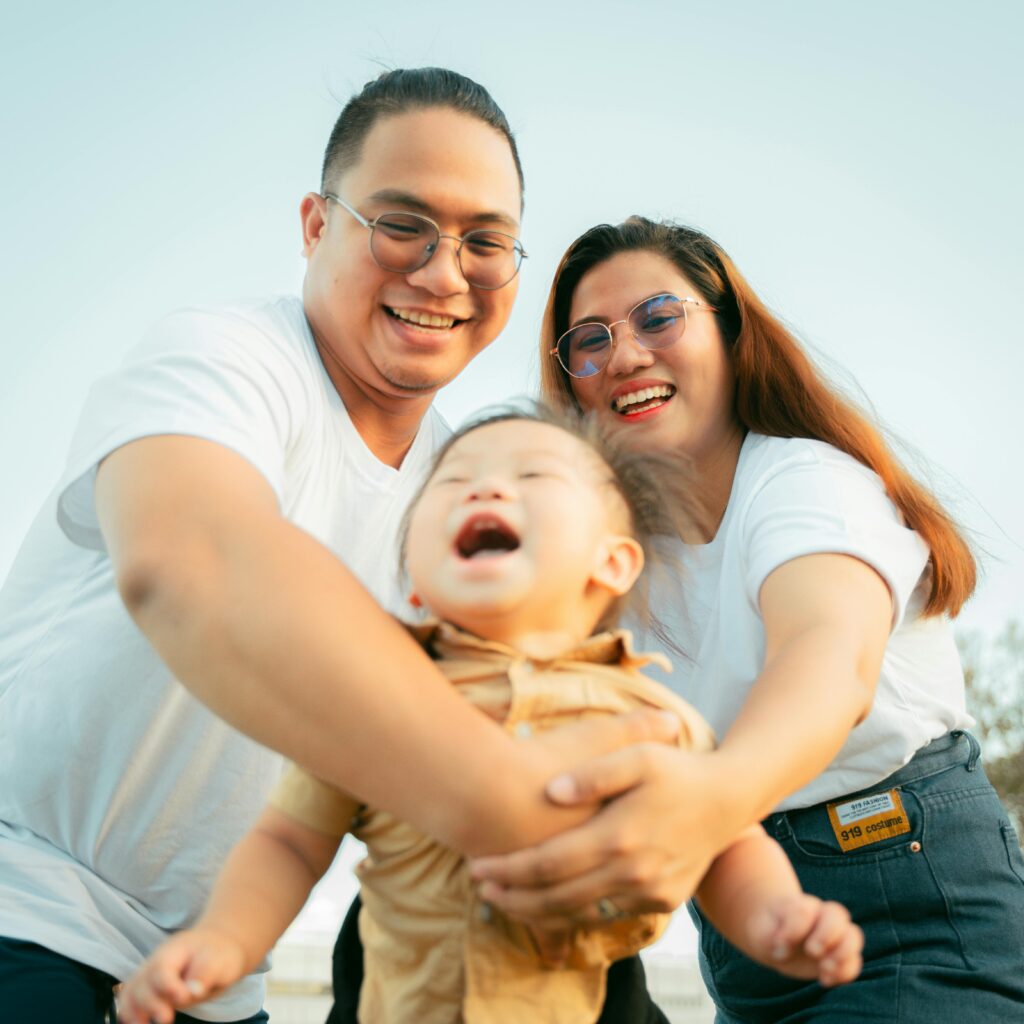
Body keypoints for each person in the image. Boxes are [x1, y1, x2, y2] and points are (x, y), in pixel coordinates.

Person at [0, 71, 678, 1024]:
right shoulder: (224, 358)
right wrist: (498, 790)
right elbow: (187, 564)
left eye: (485, 242)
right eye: (403, 225)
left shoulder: (464, 491)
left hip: (218, 969)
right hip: (27, 899)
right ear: (317, 225)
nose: (444, 274)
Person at [117, 410, 864, 1024]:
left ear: (611, 563)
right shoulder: (378, 699)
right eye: (453, 482)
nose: (486, 488)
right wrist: (225, 939)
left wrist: (775, 916)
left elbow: (723, 840)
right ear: (413, 580)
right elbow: (288, 841)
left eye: (534, 476)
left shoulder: (649, 714)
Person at [466, 217, 1024, 1021]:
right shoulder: (612, 564)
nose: (624, 355)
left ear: (729, 332)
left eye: (658, 317)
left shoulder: (803, 479)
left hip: (909, 897)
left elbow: (828, 658)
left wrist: (707, 798)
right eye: (590, 340)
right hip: (746, 933)